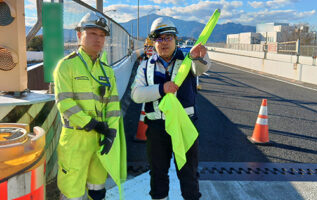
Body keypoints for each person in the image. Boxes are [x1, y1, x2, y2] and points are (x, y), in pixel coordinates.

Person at [131, 17, 211, 200]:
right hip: (157, 129)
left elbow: (201, 68)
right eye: (159, 38)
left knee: (189, 175)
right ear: (153, 41)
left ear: (176, 39)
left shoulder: (187, 61)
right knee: (158, 174)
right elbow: (136, 94)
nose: (164, 42)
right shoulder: (145, 66)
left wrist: (201, 56)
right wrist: (162, 88)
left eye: (168, 37)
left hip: (184, 126)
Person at [54, 12, 121, 200]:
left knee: (97, 189)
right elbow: (64, 103)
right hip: (75, 139)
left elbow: (114, 105)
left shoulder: (107, 71)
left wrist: (111, 133)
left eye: (102, 35)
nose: (98, 39)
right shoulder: (66, 66)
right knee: (71, 193)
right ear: (79, 35)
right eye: (92, 33)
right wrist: (93, 123)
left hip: (100, 140)